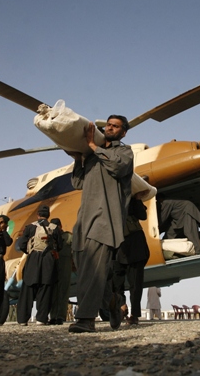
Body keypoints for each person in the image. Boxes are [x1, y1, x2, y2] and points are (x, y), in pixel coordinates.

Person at [67, 115, 134, 333]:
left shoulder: (124, 152)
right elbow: (77, 183)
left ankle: (86, 319)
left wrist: (93, 147)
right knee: (91, 269)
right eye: (108, 125)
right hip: (83, 221)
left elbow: (117, 167)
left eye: (115, 126)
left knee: (91, 270)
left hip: (105, 219)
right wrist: (79, 159)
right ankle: (112, 302)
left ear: (123, 132)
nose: (110, 128)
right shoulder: (92, 156)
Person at [16, 205, 62, 325]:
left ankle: (22, 319)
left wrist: (29, 252)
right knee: (46, 288)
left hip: (33, 258)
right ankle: (41, 318)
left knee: (28, 289)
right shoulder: (55, 228)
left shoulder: (30, 227)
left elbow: (21, 244)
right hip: (48, 259)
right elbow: (60, 246)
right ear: (48, 215)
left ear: (38, 215)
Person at [110, 193, 151, 328]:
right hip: (118, 246)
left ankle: (134, 315)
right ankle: (122, 306)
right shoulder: (108, 202)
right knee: (116, 282)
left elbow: (143, 216)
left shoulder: (132, 201)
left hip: (135, 244)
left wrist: (138, 199)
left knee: (135, 284)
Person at [49, 217, 73, 325]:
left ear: (60, 226)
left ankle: (61, 316)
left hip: (65, 267)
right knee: (53, 292)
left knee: (63, 291)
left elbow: (75, 250)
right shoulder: (50, 238)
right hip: (52, 267)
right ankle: (53, 316)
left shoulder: (68, 237)